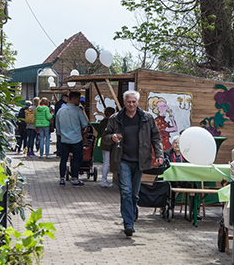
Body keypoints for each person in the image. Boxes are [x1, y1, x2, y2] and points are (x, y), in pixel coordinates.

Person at [102, 90, 164, 237]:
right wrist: (112, 137)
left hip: (140, 161)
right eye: (129, 102)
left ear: (138, 102)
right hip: (122, 160)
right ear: (124, 102)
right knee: (125, 191)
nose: (131, 104)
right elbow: (104, 137)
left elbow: (156, 138)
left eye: (134, 101)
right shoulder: (116, 118)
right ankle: (128, 224)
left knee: (134, 194)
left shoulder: (147, 118)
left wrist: (159, 155)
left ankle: (132, 210)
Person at [55, 91, 89, 186]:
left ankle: (62, 179)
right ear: (74, 99)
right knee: (77, 159)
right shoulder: (78, 111)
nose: (79, 102)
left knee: (63, 159)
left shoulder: (60, 111)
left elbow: (57, 126)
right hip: (76, 139)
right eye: (78, 100)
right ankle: (75, 179)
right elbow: (85, 124)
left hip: (64, 139)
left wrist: (60, 134)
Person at [97, 106, 116, 187]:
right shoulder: (109, 122)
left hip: (104, 144)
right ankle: (104, 180)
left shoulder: (103, 121)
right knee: (107, 162)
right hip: (108, 144)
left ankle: (104, 180)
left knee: (105, 162)